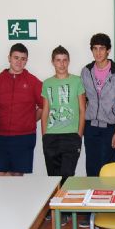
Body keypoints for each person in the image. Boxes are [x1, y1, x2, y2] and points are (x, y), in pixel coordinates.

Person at [81, 33, 115, 227]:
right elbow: (83, 99)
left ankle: (107, 207)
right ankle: (92, 209)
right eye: (95, 48)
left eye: (102, 48)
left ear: (108, 50)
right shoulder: (86, 71)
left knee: (107, 168)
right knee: (91, 168)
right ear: (91, 50)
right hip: (91, 126)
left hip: (110, 127)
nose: (98, 52)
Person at [0, 43, 43, 176]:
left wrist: (29, 121)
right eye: (16, 57)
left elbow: (43, 106)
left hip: (24, 137)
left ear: (26, 61)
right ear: (9, 58)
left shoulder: (33, 82)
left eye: (23, 59)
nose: (19, 61)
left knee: (16, 176)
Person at [41, 46, 85, 182]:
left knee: (67, 177)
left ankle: (65, 203)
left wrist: (79, 135)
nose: (62, 64)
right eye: (58, 60)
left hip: (71, 136)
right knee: (53, 180)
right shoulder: (47, 83)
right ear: (53, 62)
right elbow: (45, 111)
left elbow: (83, 109)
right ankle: (55, 203)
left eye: (65, 60)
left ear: (69, 61)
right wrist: (44, 136)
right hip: (51, 137)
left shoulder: (77, 81)